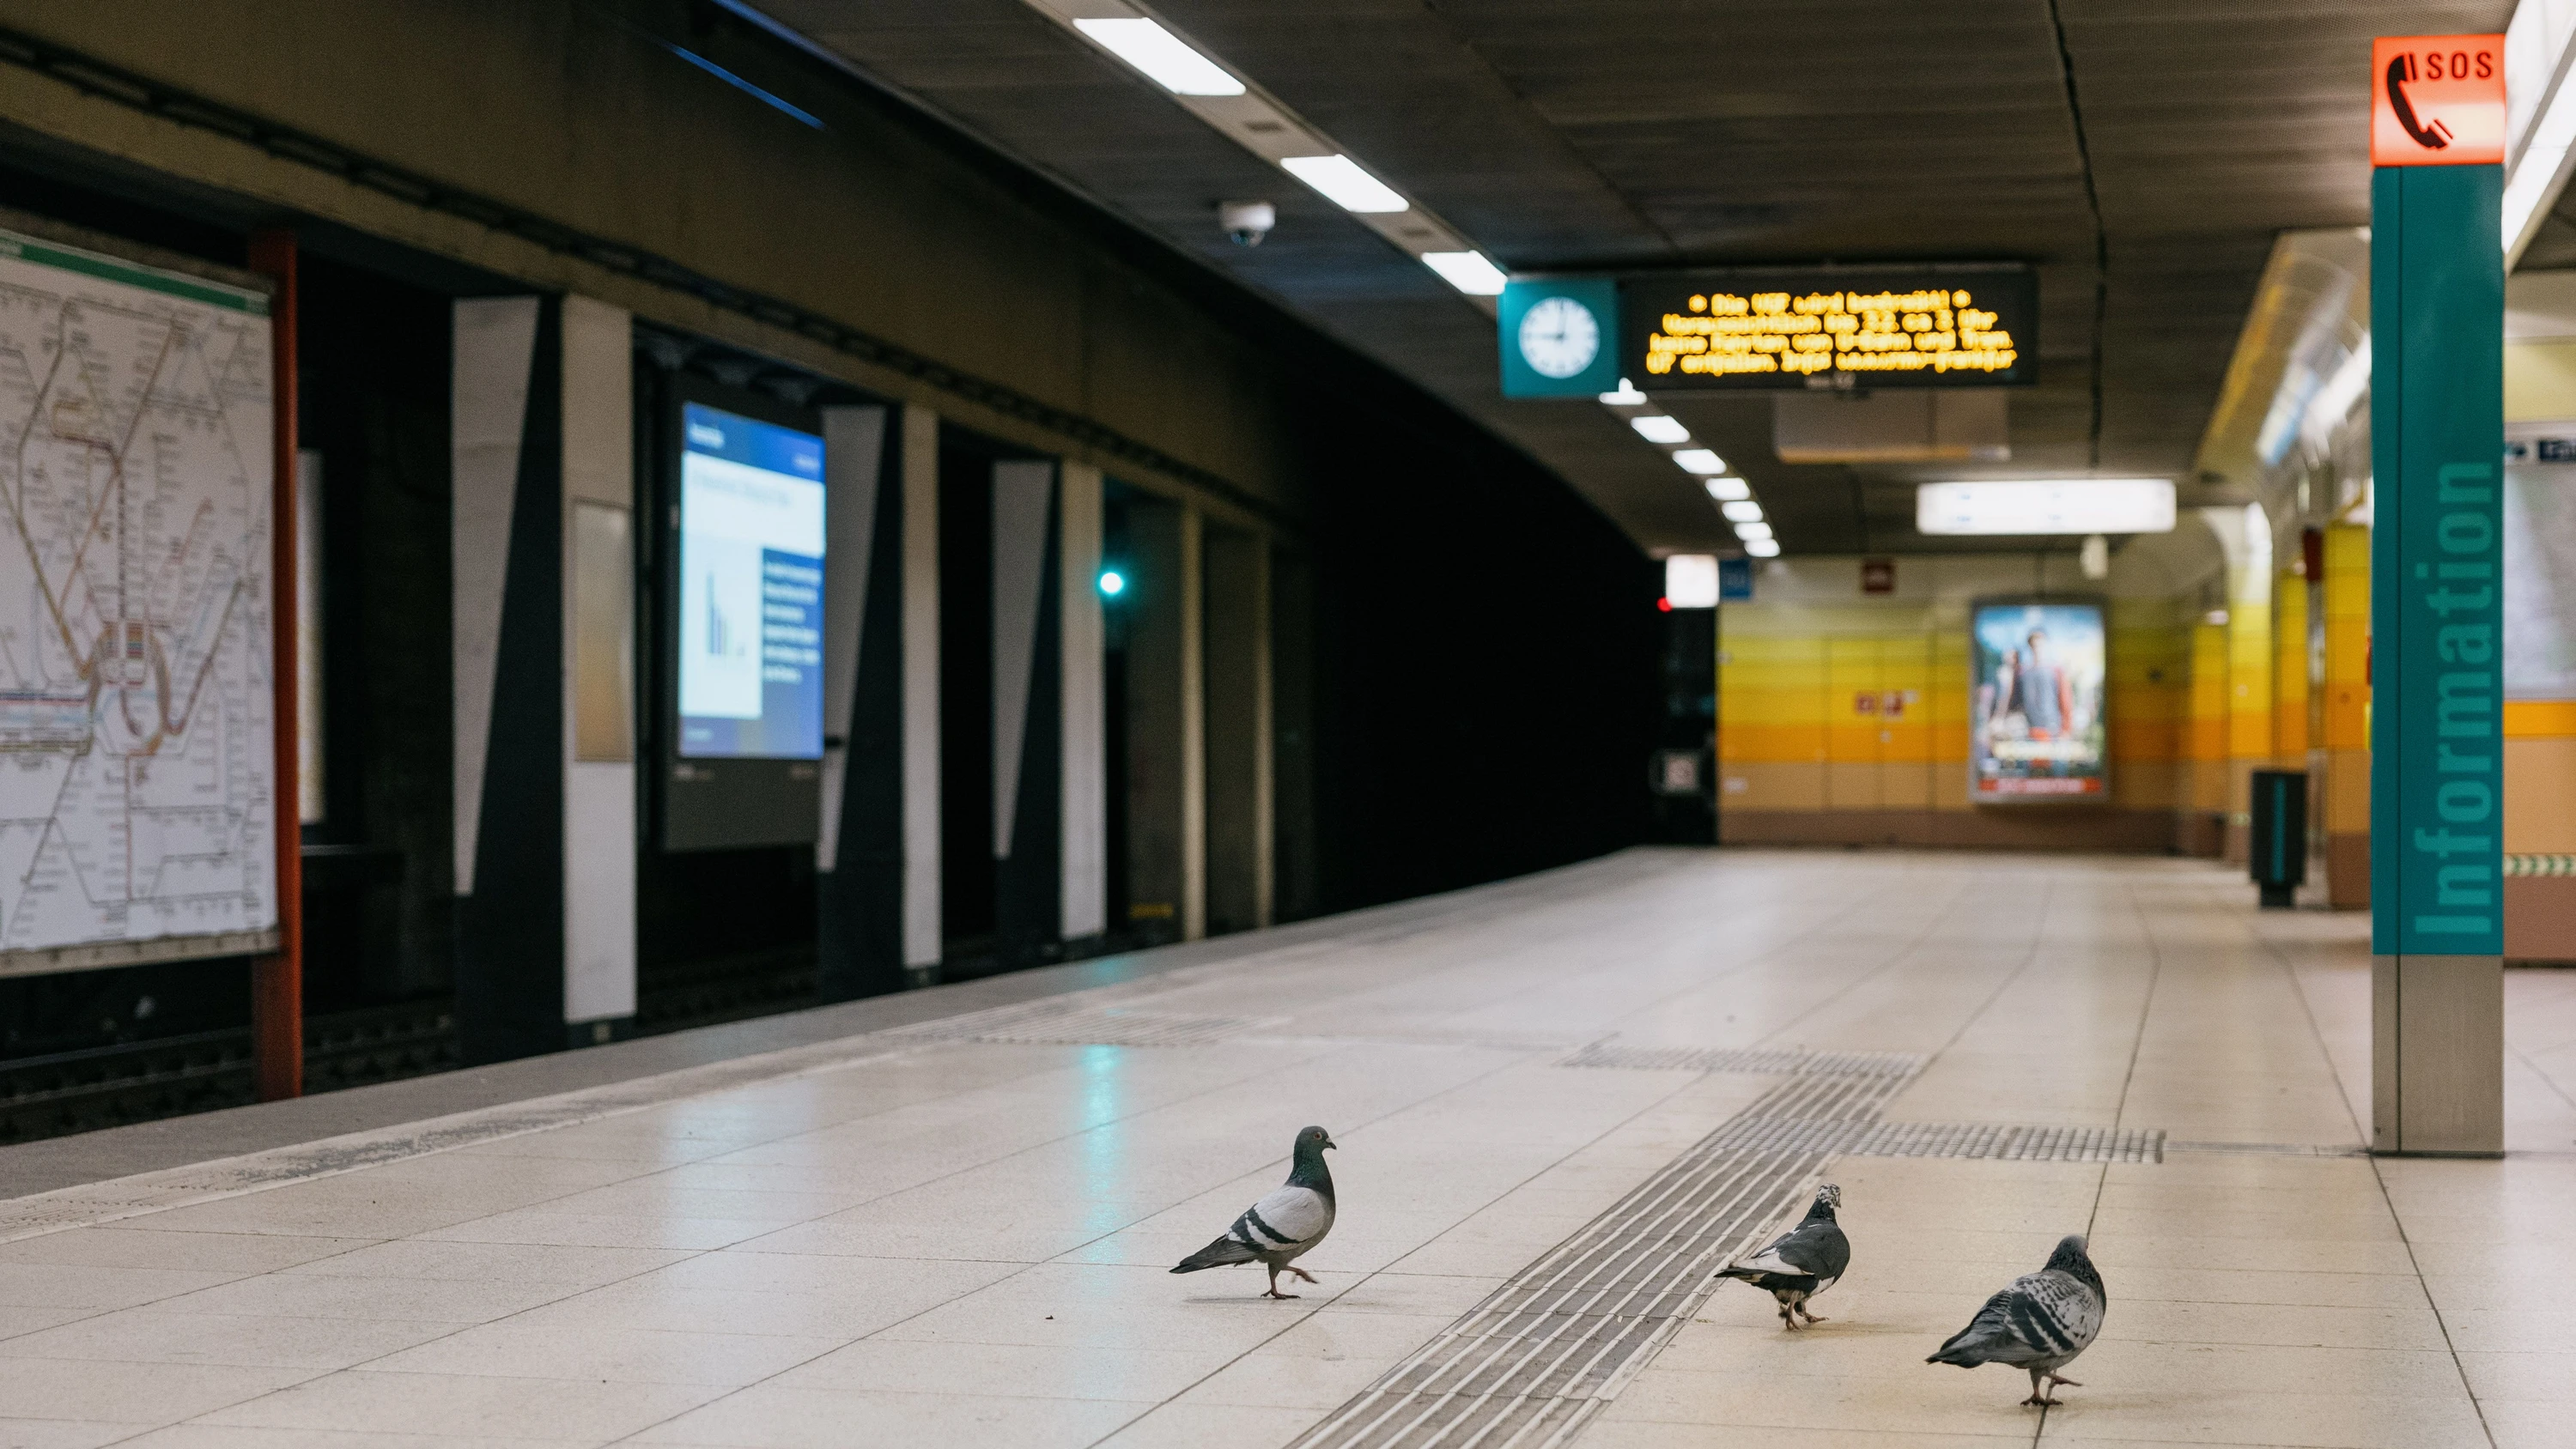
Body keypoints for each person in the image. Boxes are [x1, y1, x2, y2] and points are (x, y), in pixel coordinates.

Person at [2014, 629, 2072, 742]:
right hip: (2029, 730)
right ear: (2030, 647)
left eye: (2040, 645)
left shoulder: (2056, 670)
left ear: (2046, 645)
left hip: (2053, 730)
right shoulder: (2023, 673)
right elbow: (2018, 701)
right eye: (2034, 645)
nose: (2037, 649)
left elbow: (2066, 700)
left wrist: (2066, 730)